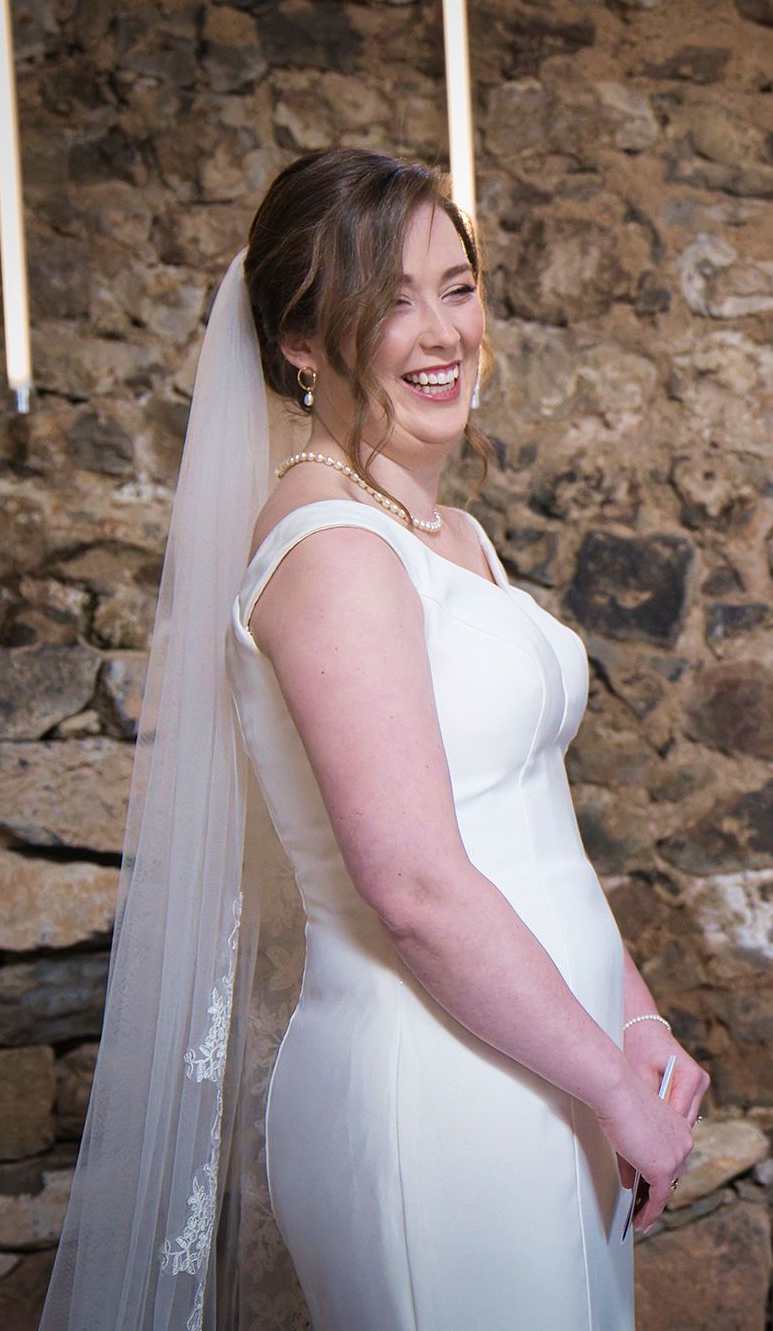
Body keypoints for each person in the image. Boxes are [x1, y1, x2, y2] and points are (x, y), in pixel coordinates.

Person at [42, 148, 704, 1330]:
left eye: (455, 284)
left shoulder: (450, 533)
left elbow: (528, 827)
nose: (439, 329)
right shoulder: (332, 550)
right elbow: (412, 884)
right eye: (387, 298)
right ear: (301, 341)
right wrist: (611, 1080)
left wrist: (636, 1021)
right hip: (438, 1084)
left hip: (546, 1059)